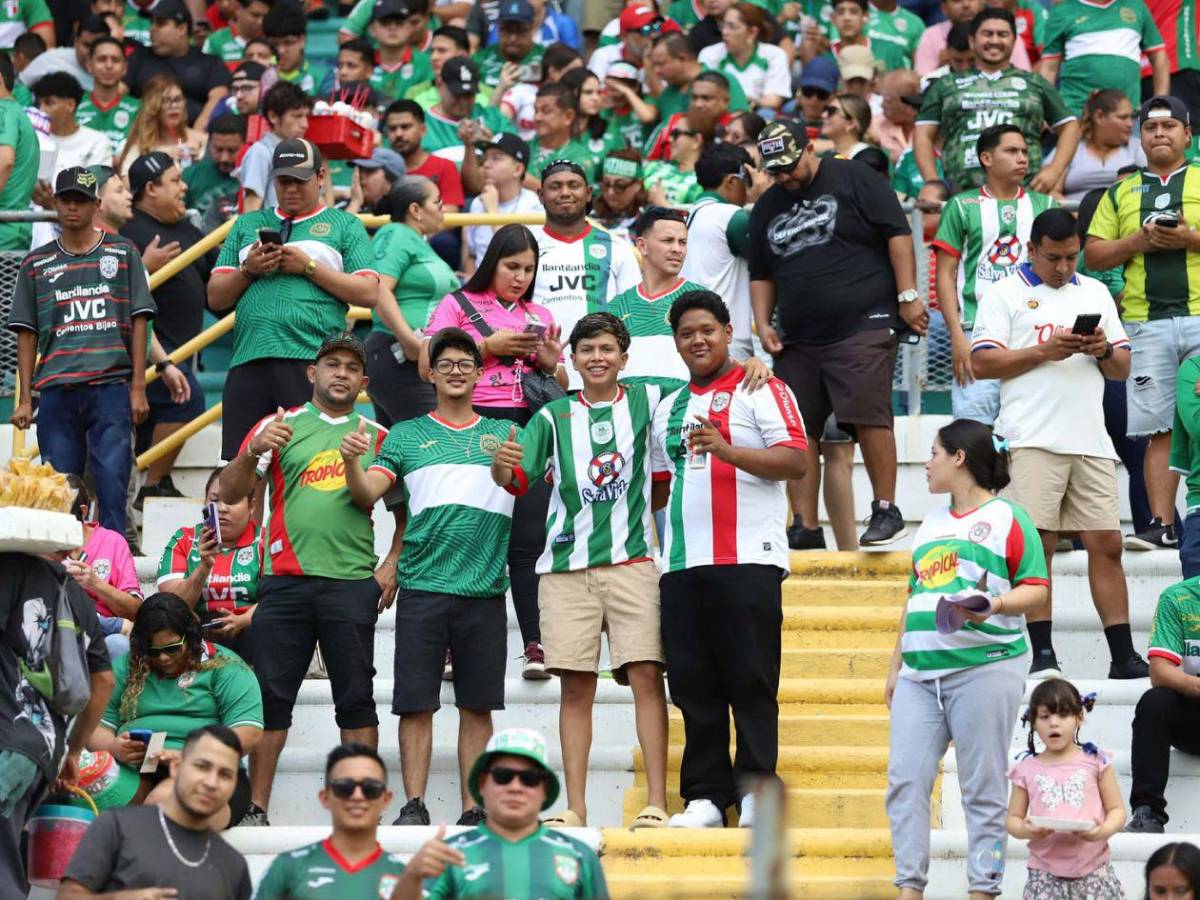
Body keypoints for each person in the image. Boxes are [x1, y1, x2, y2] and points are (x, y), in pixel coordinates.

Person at [489, 313, 671, 829]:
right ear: (573, 357)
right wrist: (501, 466)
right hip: (565, 569)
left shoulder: (647, 399)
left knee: (646, 678)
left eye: (607, 348)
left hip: (632, 564)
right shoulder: (551, 417)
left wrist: (753, 366)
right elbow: (516, 481)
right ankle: (575, 807)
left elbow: (702, 386)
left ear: (623, 357)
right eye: (587, 348)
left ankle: (656, 802)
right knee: (575, 689)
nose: (597, 357)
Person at [218, 332, 399, 821]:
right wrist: (251, 451)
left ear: (364, 380)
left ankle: (361, 808)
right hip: (284, 581)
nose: (341, 372)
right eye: (332, 363)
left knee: (356, 700)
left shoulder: (378, 434)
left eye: (351, 367)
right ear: (311, 373)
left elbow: (406, 513)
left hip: (350, 582)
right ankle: (255, 807)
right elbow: (229, 492)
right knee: (273, 699)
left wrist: (391, 566)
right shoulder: (278, 425)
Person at [341, 329, 515, 827]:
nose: (457, 370)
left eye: (466, 362)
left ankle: (472, 806)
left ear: (480, 373)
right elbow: (366, 494)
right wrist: (353, 462)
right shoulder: (405, 434)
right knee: (415, 705)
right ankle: (413, 804)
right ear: (431, 373)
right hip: (422, 586)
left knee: (477, 706)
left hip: (483, 589)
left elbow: (519, 487)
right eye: (447, 363)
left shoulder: (507, 434)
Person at [648, 289, 805, 831]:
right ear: (675, 341)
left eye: (707, 330)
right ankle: (707, 798)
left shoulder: (763, 386)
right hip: (683, 566)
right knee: (693, 683)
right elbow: (660, 486)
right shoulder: (668, 406)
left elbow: (795, 461)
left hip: (749, 558)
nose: (698, 340)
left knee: (752, 678)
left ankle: (758, 788)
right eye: (687, 333)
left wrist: (725, 449)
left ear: (726, 330)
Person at [972, 207, 1148, 680]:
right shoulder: (1003, 293)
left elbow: (1122, 368)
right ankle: (1043, 654)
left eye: (1071, 257)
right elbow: (982, 363)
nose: (1064, 267)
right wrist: (1045, 352)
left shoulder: (1094, 292)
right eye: (1053, 258)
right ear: (1031, 250)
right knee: (1039, 548)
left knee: (1107, 545)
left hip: (1090, 438)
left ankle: (1123, 655)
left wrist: (1103, 350)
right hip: (1030, 438)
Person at [884, 418, 1049, 900]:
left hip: (986, 668)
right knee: (905, 782)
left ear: (959, 458)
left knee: (981, 790)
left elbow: (1037, 590)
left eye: (934, 453)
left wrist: (992, 605)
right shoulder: (930, 524)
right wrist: (896, 666)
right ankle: (909, 888)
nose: (927, 464)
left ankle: (983, 889)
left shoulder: (1009, 518)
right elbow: (914, 597)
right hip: (919, 676)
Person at [749, 119, 926, 547]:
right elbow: (761, 273)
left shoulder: (852, 176)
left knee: (868, 413)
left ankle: (886, 509)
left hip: (864, 320)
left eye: (790, 166)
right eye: (775, 171)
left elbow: (897, 234)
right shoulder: (769, 205)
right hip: (800, 335)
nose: (784, 177)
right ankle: (804, 526)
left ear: (810, 149)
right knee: (796, 426)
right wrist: (762, 322)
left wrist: (907, 294)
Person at [423, 224, 561, 678]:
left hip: (527, 426)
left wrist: (549, 363)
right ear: (491, 263)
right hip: (468, 423)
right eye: (511, 266)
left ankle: (535, 645)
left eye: (529, 269)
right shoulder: (456, 304)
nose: (520, 277)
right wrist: (486, 346)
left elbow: (557, 386)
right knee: (466, 535)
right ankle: (448, 647)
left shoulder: (540, 313)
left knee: (527, 543)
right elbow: (428, 365)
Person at [208, 138, 378, 464]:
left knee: (310, 464)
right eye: (283, 181)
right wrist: (249, 270)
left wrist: (309, 267)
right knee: (241, 466)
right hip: (249, 358)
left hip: (311, 360)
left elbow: (369, 293)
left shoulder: (345, 224)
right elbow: (215, 297)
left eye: (300, 181)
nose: (291, 189)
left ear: (321, 177)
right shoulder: (247, 224)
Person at [8, 167, 154, 534]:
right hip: (56, 388)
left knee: (112, 482)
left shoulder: (123, 253)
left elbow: (140, 320)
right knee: (60, 489)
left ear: (97, 205)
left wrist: (138, 387)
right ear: (54, 203)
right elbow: (25, 332)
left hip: (110, 386)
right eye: (66, 199)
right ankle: (61, 569)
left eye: (82, 200)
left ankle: (112, 563)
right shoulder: (35, 263)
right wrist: (24, 398)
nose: (73, 207)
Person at [1085, 95, 1200, 553]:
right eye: (1151, 128)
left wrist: (1190, 238)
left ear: (1187, 134)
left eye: (1169, 126)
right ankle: (1161, 523)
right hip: (1144, 323)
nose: (1159, 134)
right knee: (1158, 428)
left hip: (1199, 315)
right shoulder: (1121, 191)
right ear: (1141, 138)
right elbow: (1093, 254)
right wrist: (1137, 241)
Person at [87, 592, 263, 828]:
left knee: (164, 807)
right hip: (134, 767)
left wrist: (193, 757)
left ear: (190, 638)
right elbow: (95, 727)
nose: (162, 658)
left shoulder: (225, 666)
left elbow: (249, 732)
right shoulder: (126, 667)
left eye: (172, 649)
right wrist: (113, 747)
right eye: (152, 651)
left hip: (205, 767)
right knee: (85, 800)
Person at [0, 550, 113, 900]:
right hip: (42, 755)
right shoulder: (77, 595)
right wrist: (74, 751)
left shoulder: (9, 568)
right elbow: (104, 681)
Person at [933, 124, 1056, 427]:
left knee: (1029, 432)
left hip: (1031, 329)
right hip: (977, 331)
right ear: (986, 158)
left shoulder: (1045, 205)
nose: (1022, 158)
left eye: (1025, 152)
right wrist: (957, 336)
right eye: (1012, 151)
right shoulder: (961, 206)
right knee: (973, 431)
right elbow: (945, 276)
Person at [59, 725, 252, 899]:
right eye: (202, 767)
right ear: (176, 767)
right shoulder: (117, 826)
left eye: (225, 775)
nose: (211, 783)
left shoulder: (234, 865)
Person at [415, 728, 610, 898]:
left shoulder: (579, 856)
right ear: (482, 783)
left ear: (545, 788)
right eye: (503, 776)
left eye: (529, 778)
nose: (515, 787)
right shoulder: (447, 854)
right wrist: (410, 876)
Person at [122, 151, 211, 505]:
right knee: (187, 398)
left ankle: (147, 479)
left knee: (176, 401)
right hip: (145, 348)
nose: (184, 186)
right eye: (174, 180)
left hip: (180, 350)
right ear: (150, 188)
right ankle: (153, 485)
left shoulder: (188, 229)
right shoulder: (129, 231)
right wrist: (144, 267)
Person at [915, 8, 1078, 196]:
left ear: (1014, 41)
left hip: (1025, 194)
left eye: (1002, 34)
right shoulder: (945, 85)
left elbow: (1070, 126)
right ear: (972, 40)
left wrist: (1054, 170)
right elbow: (922, 133)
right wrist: (932, 181)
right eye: (987, 34)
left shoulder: (1034, 83)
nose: (994, 40)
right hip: (964, 197)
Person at [255, 743, 428, 897]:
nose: (357, 796)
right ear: (324, 797)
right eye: (344, 787)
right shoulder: (288, 868)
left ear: (386, 799)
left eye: (370, 788)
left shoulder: (402, 878)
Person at [1007, 678, 1126, 897]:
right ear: (1033, 721)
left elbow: (1117, 810)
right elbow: (1012, 819)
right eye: (1045, 716)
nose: (1054, 723)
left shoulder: (1096, 761)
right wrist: (1026, 830)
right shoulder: (1025, 769)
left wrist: (1103, 831)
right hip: (1044, 874)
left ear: (1079, 718)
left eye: (1063, 715)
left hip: (1094, 870)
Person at [532, 159, 641, 390]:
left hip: (606, 377)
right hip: (541, 375)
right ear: (540, 195)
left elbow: (633, 314)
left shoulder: (617, 246)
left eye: (573, 185)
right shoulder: (528, 245)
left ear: (589, 193)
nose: (565, 192)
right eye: (555, 186)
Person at [366, 177, 460, 428]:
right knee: (433, 443)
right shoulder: (396, 233)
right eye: (437, 202)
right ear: (415, 210)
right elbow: (377, 287)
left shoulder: (418, 242)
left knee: (404, 453)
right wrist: (409, 341)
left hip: (415, 355)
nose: (443, 208)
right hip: (398, 352)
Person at [157, 466, 265, 663]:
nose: (222, 508)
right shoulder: (184, 540)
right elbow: (170, 607)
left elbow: (281, 600)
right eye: (214, 500)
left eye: (232, 500)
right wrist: (204, 567)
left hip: (253, 632)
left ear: (252, 506)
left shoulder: (266, 541)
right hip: (197, 634)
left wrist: (242, 620)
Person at [1126, 574, 1200, 833]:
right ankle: (1147, 812)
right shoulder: (1178, 598)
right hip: (1195, 707)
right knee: (1154, 702)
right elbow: (1160, 672)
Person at [609, 206, 706, 386]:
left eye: (683, 242)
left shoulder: (702, 301)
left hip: (684, 411)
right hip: (629, 412)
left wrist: (752, 363)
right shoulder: (615, 308)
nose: (677, 249)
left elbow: (722, 362)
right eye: (668, 240)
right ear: (642, 246)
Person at [1038, 0, 1168, 118]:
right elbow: (1049, 67)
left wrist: (1160, 106)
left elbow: (1159, 57)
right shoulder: (1062, 12)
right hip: (1075, 115)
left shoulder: (1137, 6)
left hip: (1127, 116)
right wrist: (1044, 110)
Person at [62, 475, 141, 658]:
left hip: (104, 638)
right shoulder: (44, 545)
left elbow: (135, 609)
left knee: (118, 644)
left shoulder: (112, 542)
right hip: (58, 634)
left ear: (82, 511)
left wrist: (95, 583)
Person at [124, 0, 231, 130]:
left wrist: (198, 131)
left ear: (182, 29)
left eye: (160, 23)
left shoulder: (209, 62)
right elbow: (118, 92)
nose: (152, 29)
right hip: (144, 133)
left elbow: (219, 96)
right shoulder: (138, 57)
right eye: (152, 23)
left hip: (192, 135)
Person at [1050, 89, 1145, 205]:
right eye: (1123, 117)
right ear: (1099, 117)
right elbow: (1052, 192)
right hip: (1074, 218)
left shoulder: (1138, 147)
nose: (1130, 124)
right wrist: (1078, 215)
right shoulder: (1070, 149)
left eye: (1131, 117)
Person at [467, 133, 541, 272]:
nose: (486, 165)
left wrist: (492, 210)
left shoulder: (534, 206)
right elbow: (471, 255)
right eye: (485, 158)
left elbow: (518, 257)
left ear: (518, 169)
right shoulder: (478, 202)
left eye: (496, 158)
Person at [697, 3, 790, 110]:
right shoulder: (709, 54)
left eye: (732, 27)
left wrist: (748, 101)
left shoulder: (775, 55)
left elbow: (773, 100)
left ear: (752, 33)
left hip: (757, 113)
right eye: (723, 26)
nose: (724, 32)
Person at [237, 80, 311, 212]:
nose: (305, 124)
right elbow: (251, 208)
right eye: (297, 116)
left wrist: (323, 162)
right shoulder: (260, 153)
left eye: (306, 116)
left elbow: (324, 210)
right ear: (273, 117)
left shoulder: (306, 155)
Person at [383, 99, 467, 215]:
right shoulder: (380, 170)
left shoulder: (444, 166)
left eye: (405, 127)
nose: (399, 134)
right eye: (392, 128)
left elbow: (451, 211)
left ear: (423, 130)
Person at [116, 73, 206, 174]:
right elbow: (127, 183)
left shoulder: (202, 141)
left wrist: (202, 162)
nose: (173, 105)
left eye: (178, 99)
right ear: (152, 106)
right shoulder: (138, 149)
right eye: (165, 100)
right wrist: (163, 156)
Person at [34, 72, 113, 173]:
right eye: (39, 103)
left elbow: (97, 186)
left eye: (49, 103)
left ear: (71, 105)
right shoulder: (33, 141)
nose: (41, 110)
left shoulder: (97, 143)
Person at [76, 35, 139, 155]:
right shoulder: (74, 105)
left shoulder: (138, 109)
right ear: (89, 65)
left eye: (115, 60)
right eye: (102, 59)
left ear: (125, 68)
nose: (109, 66)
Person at [0, 51, 38, 251]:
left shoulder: (3, 111)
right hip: (13, 233)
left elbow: (4, 162)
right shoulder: (16, 112)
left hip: (3, 234)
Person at [183, 111, 243, 229]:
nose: (224, 158)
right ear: (209, 144)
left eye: (232, 151)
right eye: (218, 150)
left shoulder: (254, 176)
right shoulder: (190, 175)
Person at [527, 81, 595, 184]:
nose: (537, 117)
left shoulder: (580, 158)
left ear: (568, 117)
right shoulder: (524, 147)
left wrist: (521, 177)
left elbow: (567, 197)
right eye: (536, 111)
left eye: (546, 111)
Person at [644, 109, 711, 206]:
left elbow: (698, 219)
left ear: (696, 141)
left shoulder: (703, 185)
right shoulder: (652, 167)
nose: (670, 139)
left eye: (676, 134)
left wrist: (662, 204)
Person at [817, 92, 890, 175]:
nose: (823, 115)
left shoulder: (871, 158)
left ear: (851, 123)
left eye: (831, 111)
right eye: (825, 109)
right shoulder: (826, 155)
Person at [264, 4, 326, 96]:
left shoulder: (324, 74)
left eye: (288, 42)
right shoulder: (262, 74)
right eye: (275, 44)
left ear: (302, 40)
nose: (281, 51)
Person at [592, 150, 648, 240]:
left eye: (620, 186)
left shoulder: (649, 221)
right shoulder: (589, 217)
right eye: (606, 183)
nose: (611, 192)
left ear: (637, 185)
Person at [203, 0, 270, 68]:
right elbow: (205, 71)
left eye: (265, 17)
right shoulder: (215, 41)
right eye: (255, 15)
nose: (261, 22)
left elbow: (276, 68)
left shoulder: (271, 40)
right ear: (239, 11)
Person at [346, 146, 407, 216]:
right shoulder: (346, 206)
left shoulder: (404, 214)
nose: (360, 176)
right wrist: (355, 204)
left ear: (390, 181)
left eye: (369, 171)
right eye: (359, 170)